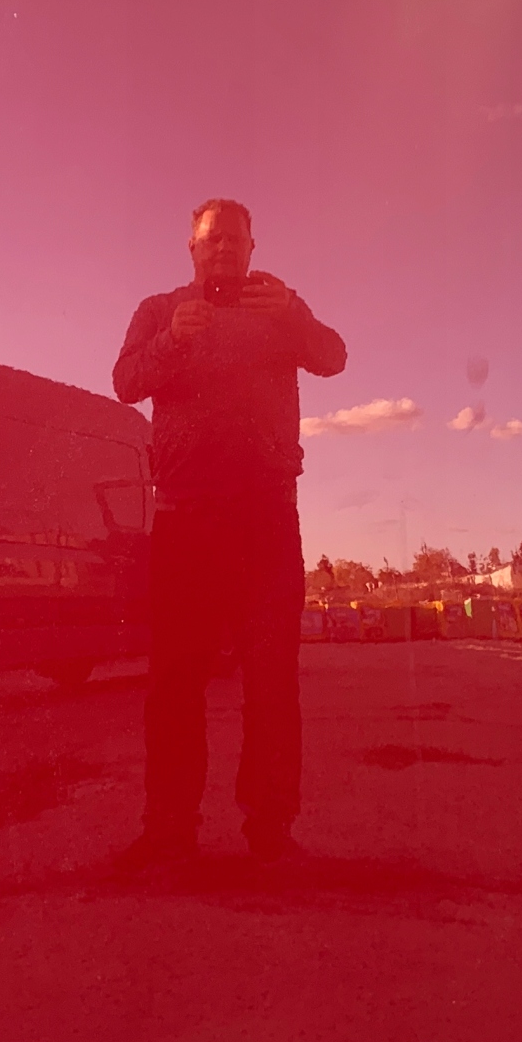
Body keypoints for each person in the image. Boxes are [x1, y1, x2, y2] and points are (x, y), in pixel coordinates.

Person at [112, 199, 347, 860]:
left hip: (266, 520)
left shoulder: (277, 308)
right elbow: (125, 381)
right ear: (191, 246)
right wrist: (171, 340)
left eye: (234, 240)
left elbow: (334, 357)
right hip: (185, 519)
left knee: (272, 679)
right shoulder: (160, 310)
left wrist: (294, 313)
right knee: (174, 680)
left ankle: (271, 832)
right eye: (212, 239)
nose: (223, 249)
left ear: (251, 248)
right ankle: (168, 831)